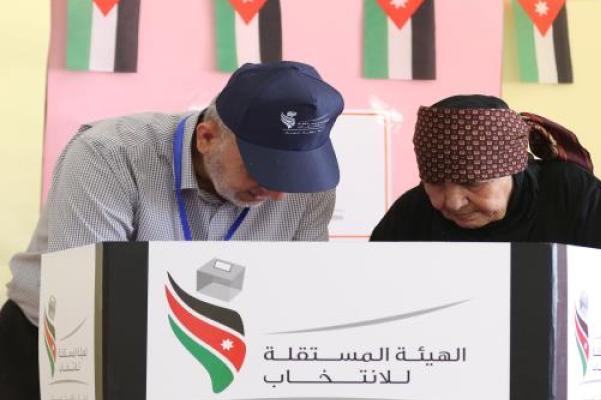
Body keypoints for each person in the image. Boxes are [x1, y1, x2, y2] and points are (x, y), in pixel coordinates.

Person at [0, 61, 344, 399]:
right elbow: (89, 301)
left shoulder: (310, 189)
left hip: (218, 353)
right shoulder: (109, 154)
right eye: (264, 169)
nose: (280, 193)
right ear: (207, 138)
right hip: (60, 348)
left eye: (295, 172)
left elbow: (298, 296)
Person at [371, 95, 601, 397]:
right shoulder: (412, 214)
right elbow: (374, 312)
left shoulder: (572, 197)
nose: (453, 201)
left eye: (472, 183)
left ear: (514, 168)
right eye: (436, 183)